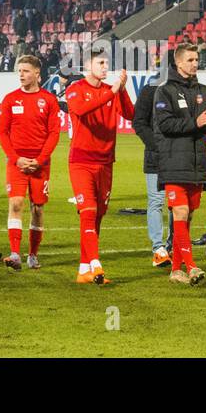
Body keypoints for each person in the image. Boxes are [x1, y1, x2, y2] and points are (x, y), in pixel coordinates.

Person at [65, 48, 134, 284]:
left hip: (106, 162)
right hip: (81, 161)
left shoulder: (110, 91)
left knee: (98, 217)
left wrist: (121, 90)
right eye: (100, 63)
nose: (105, 67)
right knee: (88, 211)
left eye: (107, 63)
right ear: (88, 67)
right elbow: (81, 110)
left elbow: (130, 114)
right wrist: (113, 91)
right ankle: (96, 264)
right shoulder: (75, 89)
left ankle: (83, 269)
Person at [154, 43, 206, 285]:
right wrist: (197, 122)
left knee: (187, 218)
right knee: (179, 212)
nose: (195, 63)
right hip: (173, 162)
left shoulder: (205, 90)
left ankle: (176, 270)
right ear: (178, 63)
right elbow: (166, 125)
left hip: (197, 162)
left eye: (196, 59)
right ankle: (191, 266)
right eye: (190, 59)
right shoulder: (165, 92)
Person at [0, 55, 61, 271]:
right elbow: (3, 133)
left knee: (38, 208)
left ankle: (33, 254)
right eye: (19, 71)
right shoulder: (10, 99)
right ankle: (15, 253)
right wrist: (17, 159)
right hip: (17, 163)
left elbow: (54, 133)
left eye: (25, 71)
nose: (21, 75)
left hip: (40, 164)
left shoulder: (49, 100)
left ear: (36, 74)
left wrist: (40, 160)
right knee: (15, 204)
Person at [132, 71, 171, 267]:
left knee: (177, 204)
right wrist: (156, 145)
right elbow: (138, 122)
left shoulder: (185, 91)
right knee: (156, 201)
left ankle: (173, 245)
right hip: (156, 156)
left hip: (179, 156)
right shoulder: (149, 92)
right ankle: (158, 248)